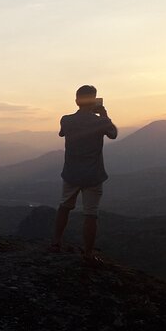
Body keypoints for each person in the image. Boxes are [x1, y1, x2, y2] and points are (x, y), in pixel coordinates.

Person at [51, 85, 118, 267]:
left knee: (64, 206)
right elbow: (113, 134)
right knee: (91, 214)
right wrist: (103, 115)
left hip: (71, 173)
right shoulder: (100, 122)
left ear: (76, 101)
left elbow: (62, 133)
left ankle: (56, 243)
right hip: (93, 175)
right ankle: (88, 254)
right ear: (94, 100)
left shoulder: (66, 120)